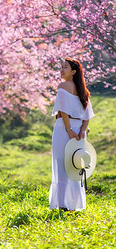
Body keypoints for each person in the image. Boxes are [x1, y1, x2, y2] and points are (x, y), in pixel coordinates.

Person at [49, 57, 94, 211]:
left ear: (73, 72)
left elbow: (63, 111)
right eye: (61, 67)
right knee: (74, 167)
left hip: (64, 128)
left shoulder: (63, 86)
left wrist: (69, 130)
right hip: (78, 130)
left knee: (62, 165)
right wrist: (81, 131)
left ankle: (62, 205)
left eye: (65, 67)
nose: (61, 70)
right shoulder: (83, 91)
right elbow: (87, 117)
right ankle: (74, 205)